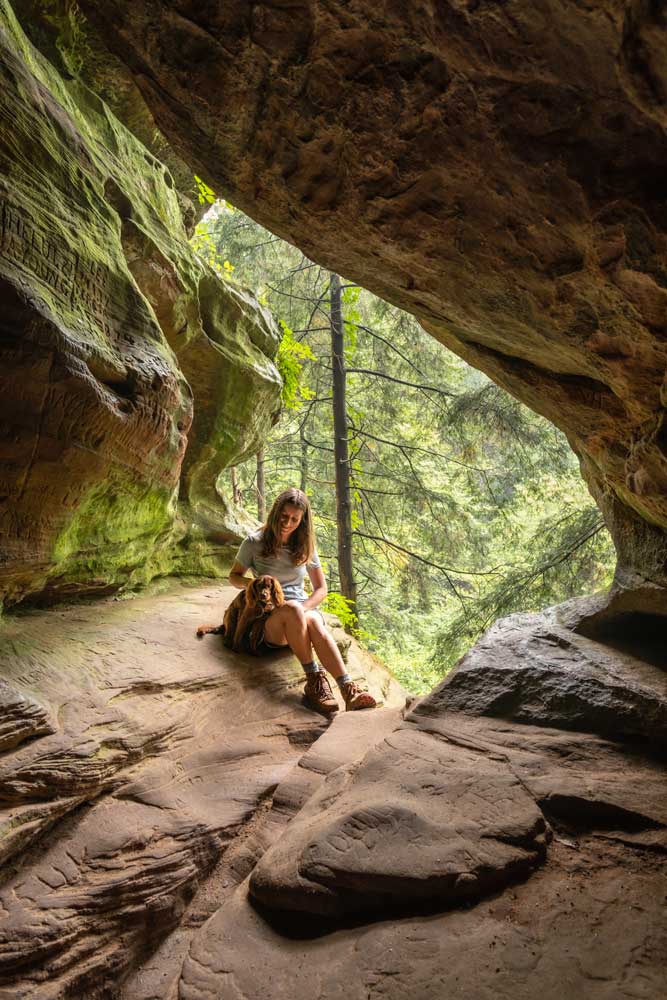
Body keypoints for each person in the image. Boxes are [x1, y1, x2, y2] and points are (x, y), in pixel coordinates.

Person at [229, 487, 377, 714]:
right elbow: (234, 576)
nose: (287, 523)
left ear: (302, 521)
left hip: (300, 612)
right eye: (283, 517)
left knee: (313, 620)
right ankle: (314, 681)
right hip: (270, 619)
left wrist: (303, 608)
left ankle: (348, 689)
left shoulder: (305, 545)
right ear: (275, 512)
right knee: (292, 611)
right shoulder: (254, 542)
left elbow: (321, 589)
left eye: (294, 519)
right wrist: (253, 586)